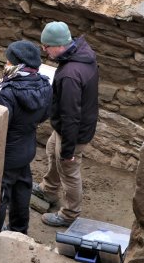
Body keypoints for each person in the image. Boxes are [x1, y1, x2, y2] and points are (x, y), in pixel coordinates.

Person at [32, 21, 99, 227]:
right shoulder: (81, 53)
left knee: (68, 170)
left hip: (73, 132)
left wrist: (69, 149)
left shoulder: (70, 74)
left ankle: (69, 214)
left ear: (60, 45)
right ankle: (49, 190)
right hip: (67, 128)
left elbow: (71, 116)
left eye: (47, 46)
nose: (44, 50)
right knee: (52, 149)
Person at [0, 40, 52, 234]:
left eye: (9, 62)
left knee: (1, 192)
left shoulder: (9, 92)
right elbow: (45, 114)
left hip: (9, 151)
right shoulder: (45, 85)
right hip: (28, 146)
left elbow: (2, 124)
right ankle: (20, 229)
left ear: (18, 64)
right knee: (22, 187)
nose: (6, 65)